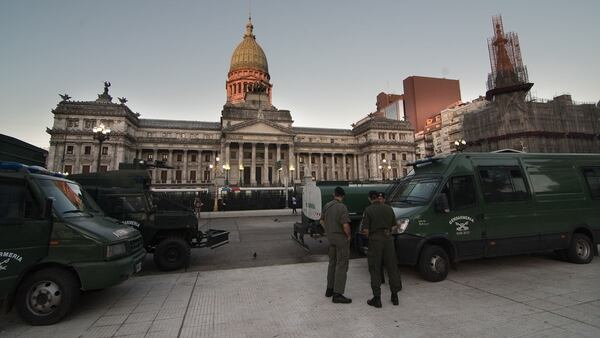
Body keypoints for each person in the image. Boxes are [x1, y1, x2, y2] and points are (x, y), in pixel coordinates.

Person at [361, 191, 402, 308]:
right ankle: (395, 296)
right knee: (392, 267)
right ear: (378, 198)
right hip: (388, 240)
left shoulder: (368, 210)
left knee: (375, 268)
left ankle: (377, 298)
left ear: (370, 198)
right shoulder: (389, 208)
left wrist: (369, 236)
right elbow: (394, 226)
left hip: (375, 240)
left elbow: (366, 230)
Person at [321, 186, 352, 304]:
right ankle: (337, 293)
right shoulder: (342, 207)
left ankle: (329, 289)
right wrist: (348, 236)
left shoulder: (327, 205)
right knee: (342, 264)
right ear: (342, 196)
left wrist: (328, 230)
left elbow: (321, 220)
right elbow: (345, 225)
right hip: (340, 238)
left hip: (331, 238)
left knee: (332, 263)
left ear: (334, 194)